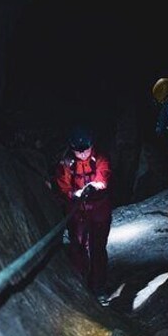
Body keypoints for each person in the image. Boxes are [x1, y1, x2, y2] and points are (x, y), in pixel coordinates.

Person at [53, 126, 112, 298]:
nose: (83, 153)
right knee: (78, 248)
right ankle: (81, 287)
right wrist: (73, 194)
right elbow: (62, 186)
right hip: (77, 212)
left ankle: (98, 287)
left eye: (86, 149)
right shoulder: (67, 163)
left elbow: (104, 174)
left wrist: (95, 186)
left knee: (98, 248)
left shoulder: (99, 157)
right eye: (79, 151)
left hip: (99, 210)